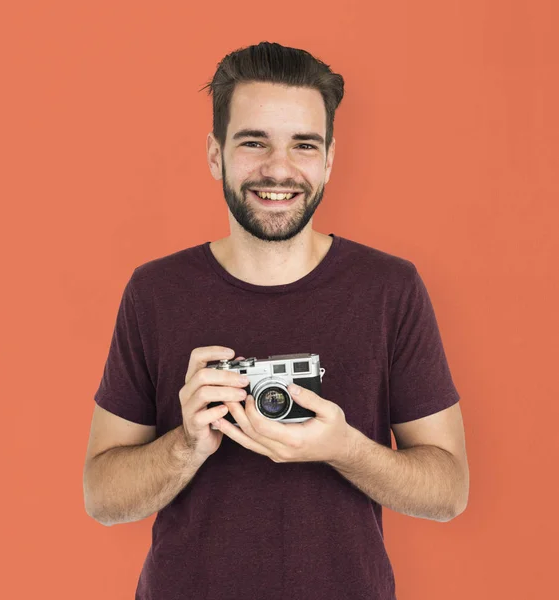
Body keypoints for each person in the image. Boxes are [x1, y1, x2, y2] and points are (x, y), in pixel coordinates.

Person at [83, 41, 469, 600]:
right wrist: (186, 445)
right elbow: (101, 496)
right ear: (216, 154)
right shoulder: (156, 291)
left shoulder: (389, 289)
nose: (279, 169)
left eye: (304, 145)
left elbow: (449, 491)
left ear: (331, 158)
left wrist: (343, 448)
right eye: (253, 142)